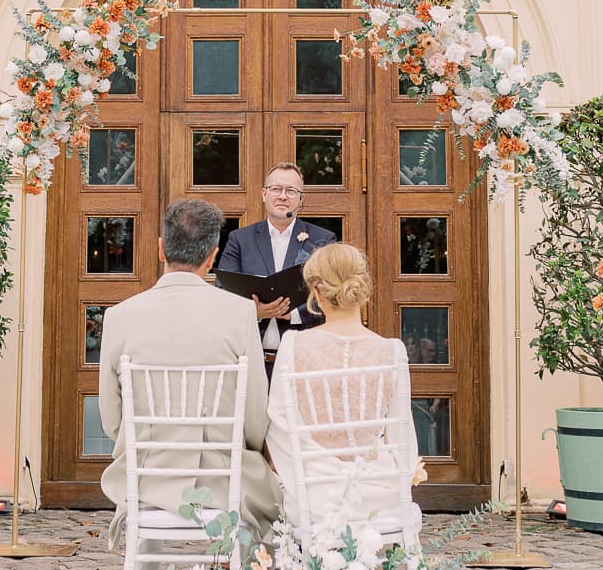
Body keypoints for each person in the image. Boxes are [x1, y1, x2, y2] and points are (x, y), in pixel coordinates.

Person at [97, 197, 280, 543]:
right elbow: (256, 421)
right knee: (272, 493)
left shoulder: (119, 316)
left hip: (145, 478)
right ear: (213, 255)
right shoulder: (239, 313)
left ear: (161, 249)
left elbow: (111, 420)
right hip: (225, 481)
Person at [265, 243, 420, 530]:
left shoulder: (293, 345)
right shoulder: (392, 350)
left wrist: (311, 475)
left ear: (317, 293)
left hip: (316, 494)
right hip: (379, 495)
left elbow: (279, 425)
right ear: (361, 289)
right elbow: (402, 436)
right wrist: (394, 481)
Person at [219, 163, 337, 364]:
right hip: (251, 361)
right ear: (264, 194)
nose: (283, 196)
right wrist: (254, 312)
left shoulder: (322, 240)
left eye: (291, 191)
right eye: (276, 189)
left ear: (301, 199)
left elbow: (332, 294)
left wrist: (294, 314)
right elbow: (223, 292)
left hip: (303, 359)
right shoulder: (239, 239)